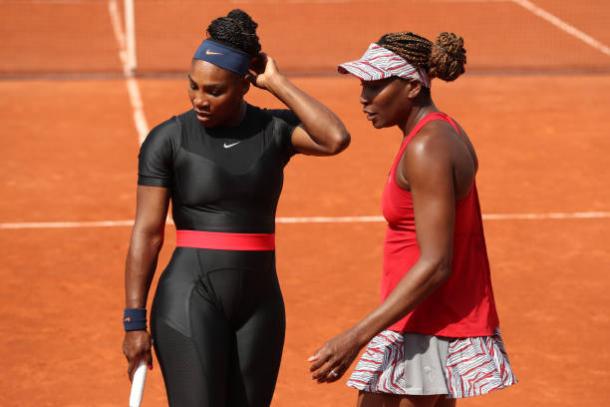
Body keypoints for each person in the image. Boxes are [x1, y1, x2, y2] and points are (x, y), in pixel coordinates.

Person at [121, 9, 350, 407]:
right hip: (190, 296)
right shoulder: (168, 140)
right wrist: (134, 322)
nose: (199, 99)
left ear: (245, 84)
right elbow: (148, 232)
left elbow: (334, 138)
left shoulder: (274, 131)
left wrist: (277, 82)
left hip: (260, 302)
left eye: (214, 91)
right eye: (193, 86)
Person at [308, 32, 516, 406]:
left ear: (409, 87)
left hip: (424, 328)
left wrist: (354, 337)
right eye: (362, 85)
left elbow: (437, 264)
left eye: (374, 85)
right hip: (421, 322)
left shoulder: (428, 147)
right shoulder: (438, 132)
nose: (363, 98)